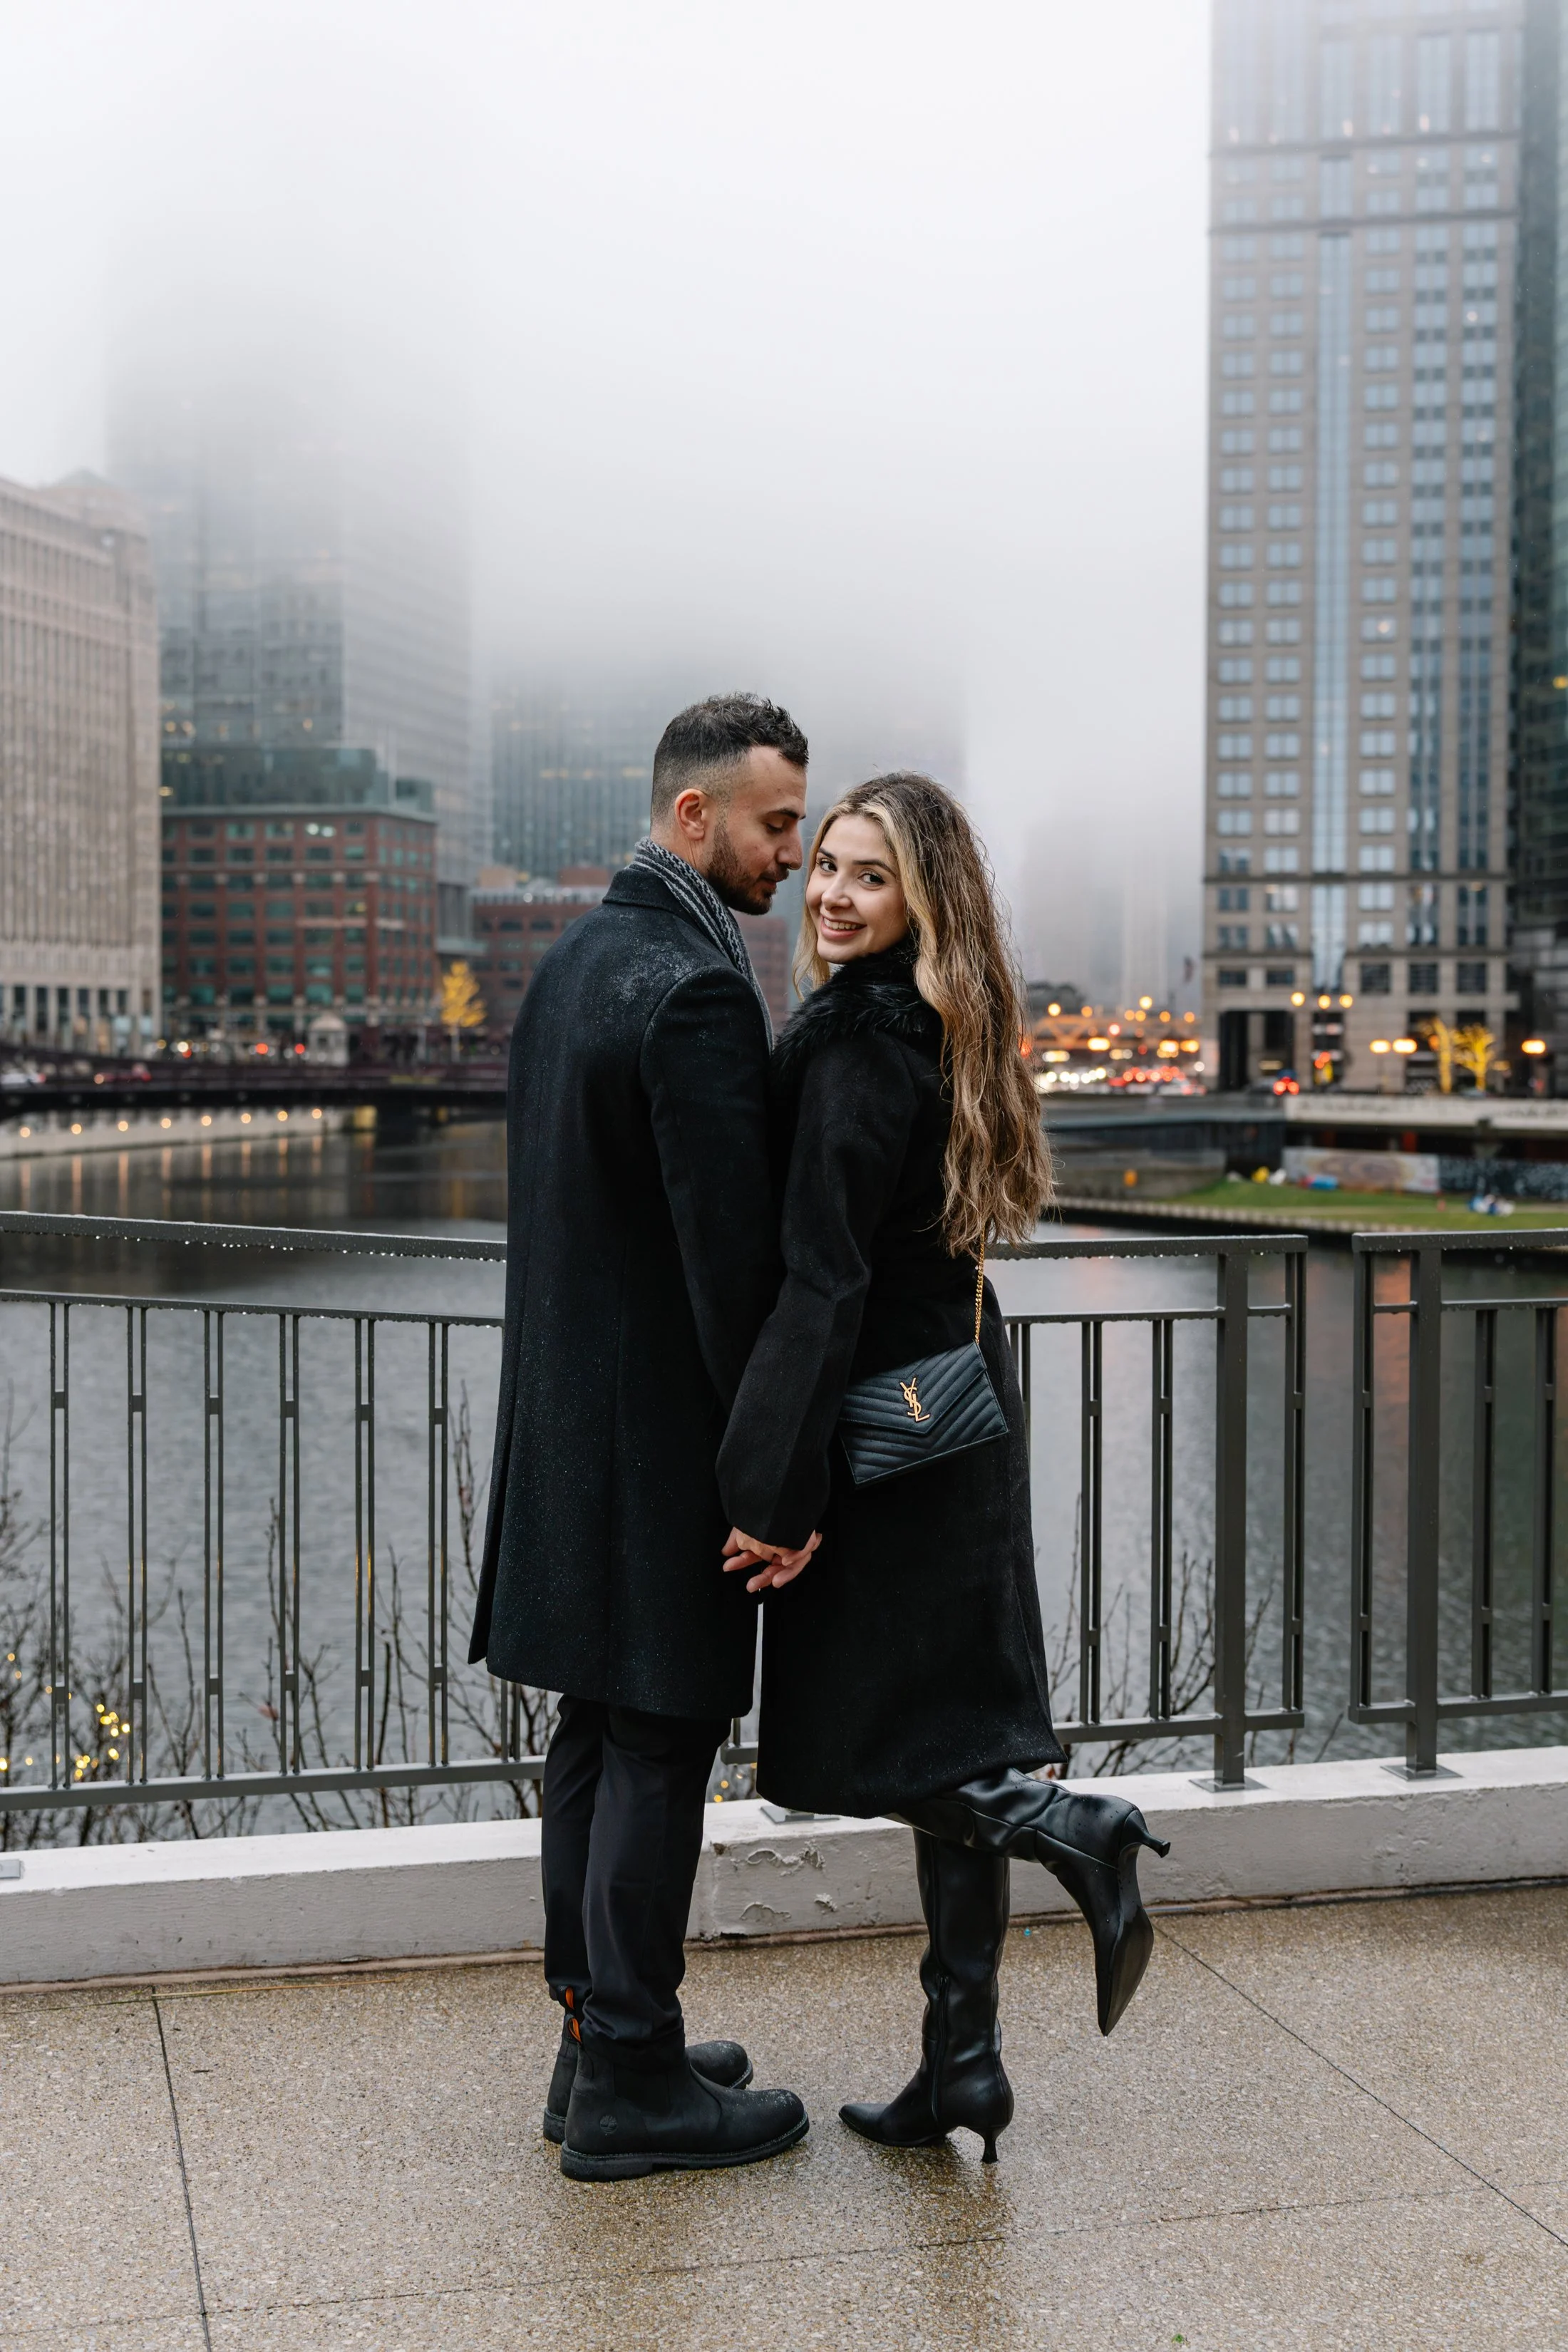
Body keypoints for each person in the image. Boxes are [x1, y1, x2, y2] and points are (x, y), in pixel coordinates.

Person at [717, 773, 1170, 2165]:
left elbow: (821, 1276)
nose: (832, 894)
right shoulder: (946, 1024)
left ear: (921, 897)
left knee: (874, 1737)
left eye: (866, 874)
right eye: (828, 868)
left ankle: (1064, 1823)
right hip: (957, 1397)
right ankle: (959, 2063)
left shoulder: (854, 1040)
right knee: (951, 1725)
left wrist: (774, 1490)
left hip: (885, 1428)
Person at [469, 692, 818, 2182]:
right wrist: (777, 1478)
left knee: (594, 1737)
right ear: (695, 818)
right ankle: (630, 2079)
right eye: (775, 825)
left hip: (561, 1431)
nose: (792, 856)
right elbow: (727, 1271)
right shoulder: (690, 986)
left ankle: (601, 2034)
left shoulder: (572, 969)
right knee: (661, 1737)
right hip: (654, 1451)